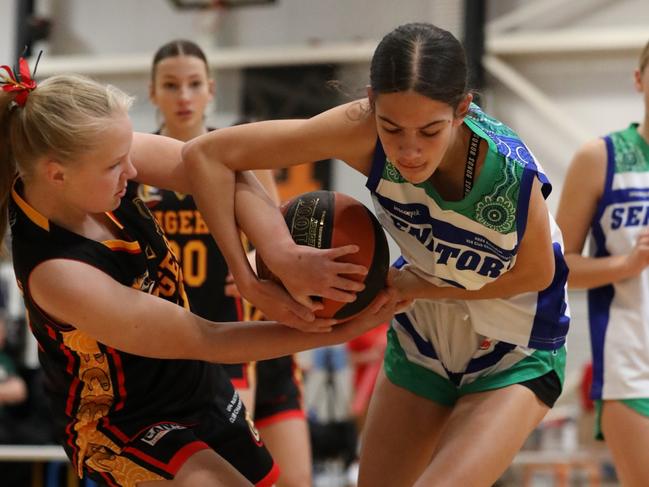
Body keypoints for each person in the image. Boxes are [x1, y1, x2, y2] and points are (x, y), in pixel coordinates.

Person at [183, 22, 571, 487]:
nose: (409, 150)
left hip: (517, 345)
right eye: (392, 127)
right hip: (423, 333)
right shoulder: (358, 130)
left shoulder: (510, 173)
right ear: (371, 103)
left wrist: (424, 285)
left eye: (429, 130)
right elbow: (207, 155)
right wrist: (260, 265)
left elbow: (535, 272)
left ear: (462, 108)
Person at [0, 57, 401, 487]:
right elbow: (204, 337)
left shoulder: (92, 162)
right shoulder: (58, 271)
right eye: (116, 165)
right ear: (56, 173)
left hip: (197, 387)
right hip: (123, 425)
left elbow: (220, 168)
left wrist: (278, 250)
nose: (133, 172)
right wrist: (341, 327)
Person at [134, 39, 312, 487]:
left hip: (256, 325)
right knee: (236, 475)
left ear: (211, 89)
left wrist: (256, 253)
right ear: (153, 92)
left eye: (194, 84)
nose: (184, 96)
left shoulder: (239, 154)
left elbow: (276, 240)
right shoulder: (133, 169)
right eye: (171, 86)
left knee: (296, 479)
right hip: (193, 339)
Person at [555, 40, 649, 487]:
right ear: (638, 79)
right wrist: (627, 264)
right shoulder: (601, 158)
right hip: (632, 367)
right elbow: (556, 267)